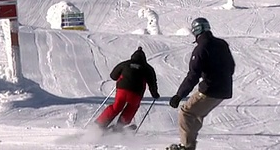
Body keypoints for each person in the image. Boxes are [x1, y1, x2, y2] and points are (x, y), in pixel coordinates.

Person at [168, 17, 236, 150]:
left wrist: (179, 95)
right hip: (224, 91)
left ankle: (186, 146)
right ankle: (189, 144)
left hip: (210, 90)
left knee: (186, 113)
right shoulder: (222, 44)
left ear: (196, 31)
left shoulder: (201, 48)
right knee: (197, 114)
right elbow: (231, 66)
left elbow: (193, 75)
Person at [95, 46, 160, 130]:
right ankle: (119, 126)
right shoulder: (148, 68)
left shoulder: (125, 63)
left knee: (116, 107)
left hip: (122, 90)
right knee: (132, 107)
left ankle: (100, 124)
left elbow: (113, 76)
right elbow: (152, 84)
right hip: (136, 93)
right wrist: (155, 94)